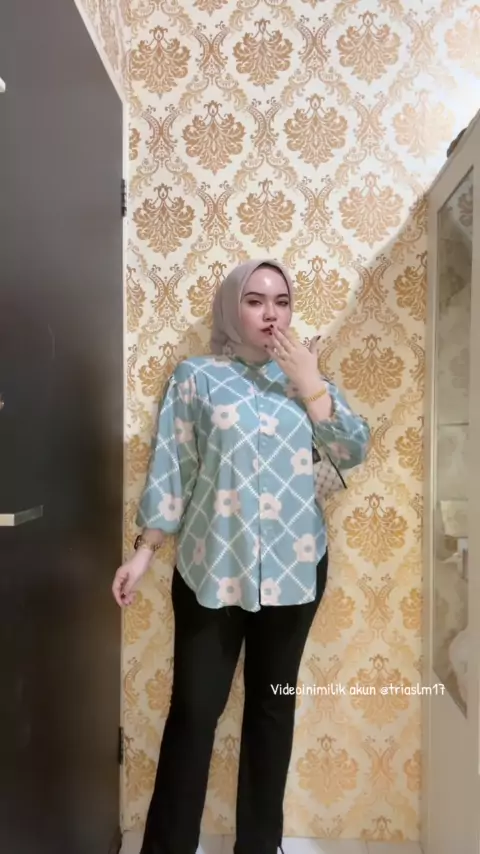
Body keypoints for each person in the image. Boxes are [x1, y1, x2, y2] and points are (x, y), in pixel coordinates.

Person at [112, 259, 370, 854]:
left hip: (294, 569)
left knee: (271, 710)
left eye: (281, 300)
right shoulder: (197, 378)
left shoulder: (307, 376)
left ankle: (259, 845)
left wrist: (310, 384)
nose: (270, 313)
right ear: (233, 306)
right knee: (194, 711)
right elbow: (174, 466)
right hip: (212, 569)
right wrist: (144, 552)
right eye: (255, 300)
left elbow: (352, 452)